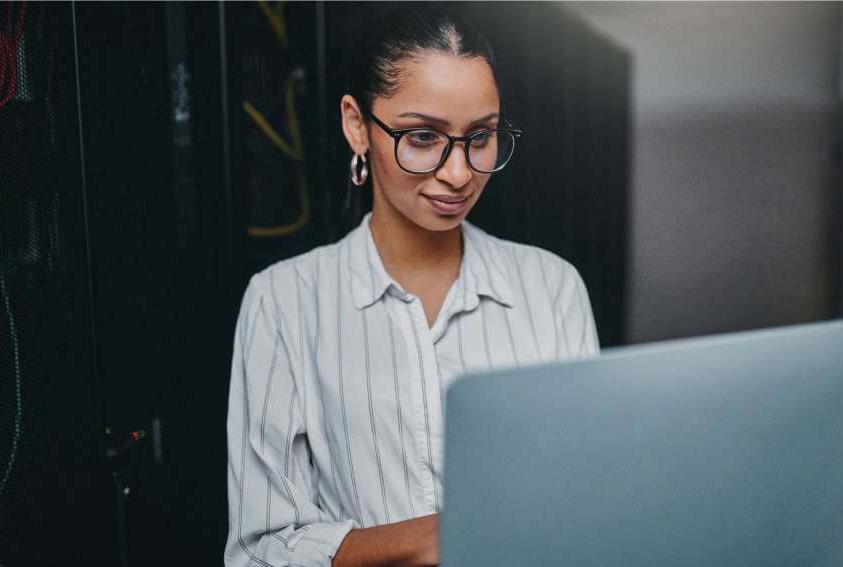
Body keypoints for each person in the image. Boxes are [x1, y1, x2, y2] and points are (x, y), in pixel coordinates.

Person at [225, 6, 599, 567]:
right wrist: (443, 536)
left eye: (482, 136)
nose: (459, 173)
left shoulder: (552, 289)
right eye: (423, 136)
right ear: (357, 125)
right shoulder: (283, 303)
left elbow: (589, 509)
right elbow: (258, 551)